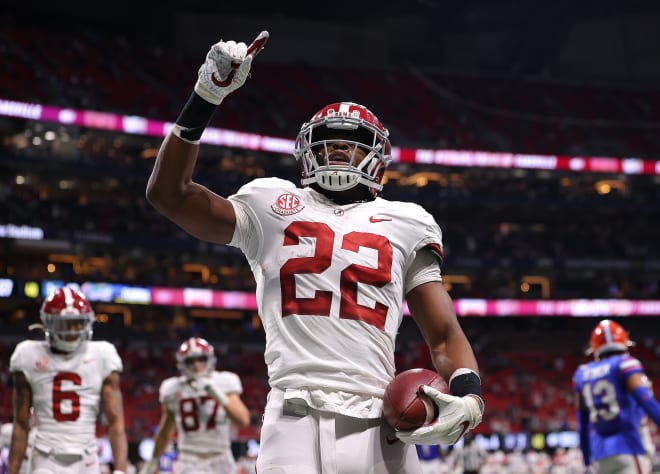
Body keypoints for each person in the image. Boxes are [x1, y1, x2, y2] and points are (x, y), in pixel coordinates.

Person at [146, 30, 484, 473]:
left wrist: (471, 396)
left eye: (352, 141)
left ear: (377, 156)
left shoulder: (408, 221)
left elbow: (442, 334)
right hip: (294, 410)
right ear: (307, 149)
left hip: (379, 412)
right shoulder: (270, 203)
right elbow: (169, 195)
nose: (339, 147)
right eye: (328, 139)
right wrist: (206, 95)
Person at [7, 286, 128, 474]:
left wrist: (120, 471)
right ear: (47, 324)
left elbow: (116, 423)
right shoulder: (28, 355)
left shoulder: (103, 355)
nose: (71, 330)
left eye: (77, 323)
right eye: (64, 324)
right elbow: (21, 424)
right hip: (45, 457)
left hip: (86, 458)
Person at [140, 337, 250, 474]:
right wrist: (153, 461)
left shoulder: (224, 382)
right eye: (190, 361)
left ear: (209, 359)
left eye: (201, 359)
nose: (196, 365)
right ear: (182, 364)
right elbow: (165, 432)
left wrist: (216, 393)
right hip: (189, 458)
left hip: (221, 457)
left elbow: (243, 420)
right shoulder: (173, 388)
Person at [573, 319, 660, 474]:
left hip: (600, 455)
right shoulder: (625, 364)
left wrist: (587, 461)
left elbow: (583, 425)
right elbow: (646, 401)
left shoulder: (582, 374)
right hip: (627, 446)